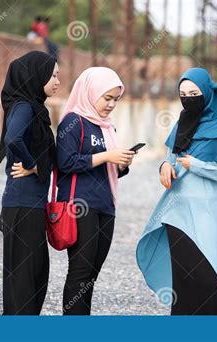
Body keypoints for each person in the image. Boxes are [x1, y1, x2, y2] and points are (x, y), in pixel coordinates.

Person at [136, 68, 217, 315]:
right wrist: (165, 165)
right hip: (176, 212)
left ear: (207, 93)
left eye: (194, 93)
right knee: (184, 278)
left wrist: (197, 166)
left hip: (208, 213)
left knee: (210, 275)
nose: (188, 99)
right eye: (183, 94)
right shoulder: (182, 123)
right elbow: (171, 157)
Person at [56, 67, 136, 315]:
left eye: (116, 99)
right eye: (107, 98)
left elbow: (110, 170)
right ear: (90, 92)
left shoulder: (107, 127)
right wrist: (107, 155)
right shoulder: (73, 121)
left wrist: (121, 164)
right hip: (80, 206)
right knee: (80, 271)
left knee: (92, 274)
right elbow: (65, 163)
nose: (111, 105)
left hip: (105, 205)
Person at [0, 51, 60, 315]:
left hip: (30, 207)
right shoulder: (24, 106)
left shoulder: (35, 108)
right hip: (22, 207)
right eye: (53, 74)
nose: (58, 80)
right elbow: (13, 138)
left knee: (35, 278)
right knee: (24, 283)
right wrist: (33, 164)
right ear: (37, 76)